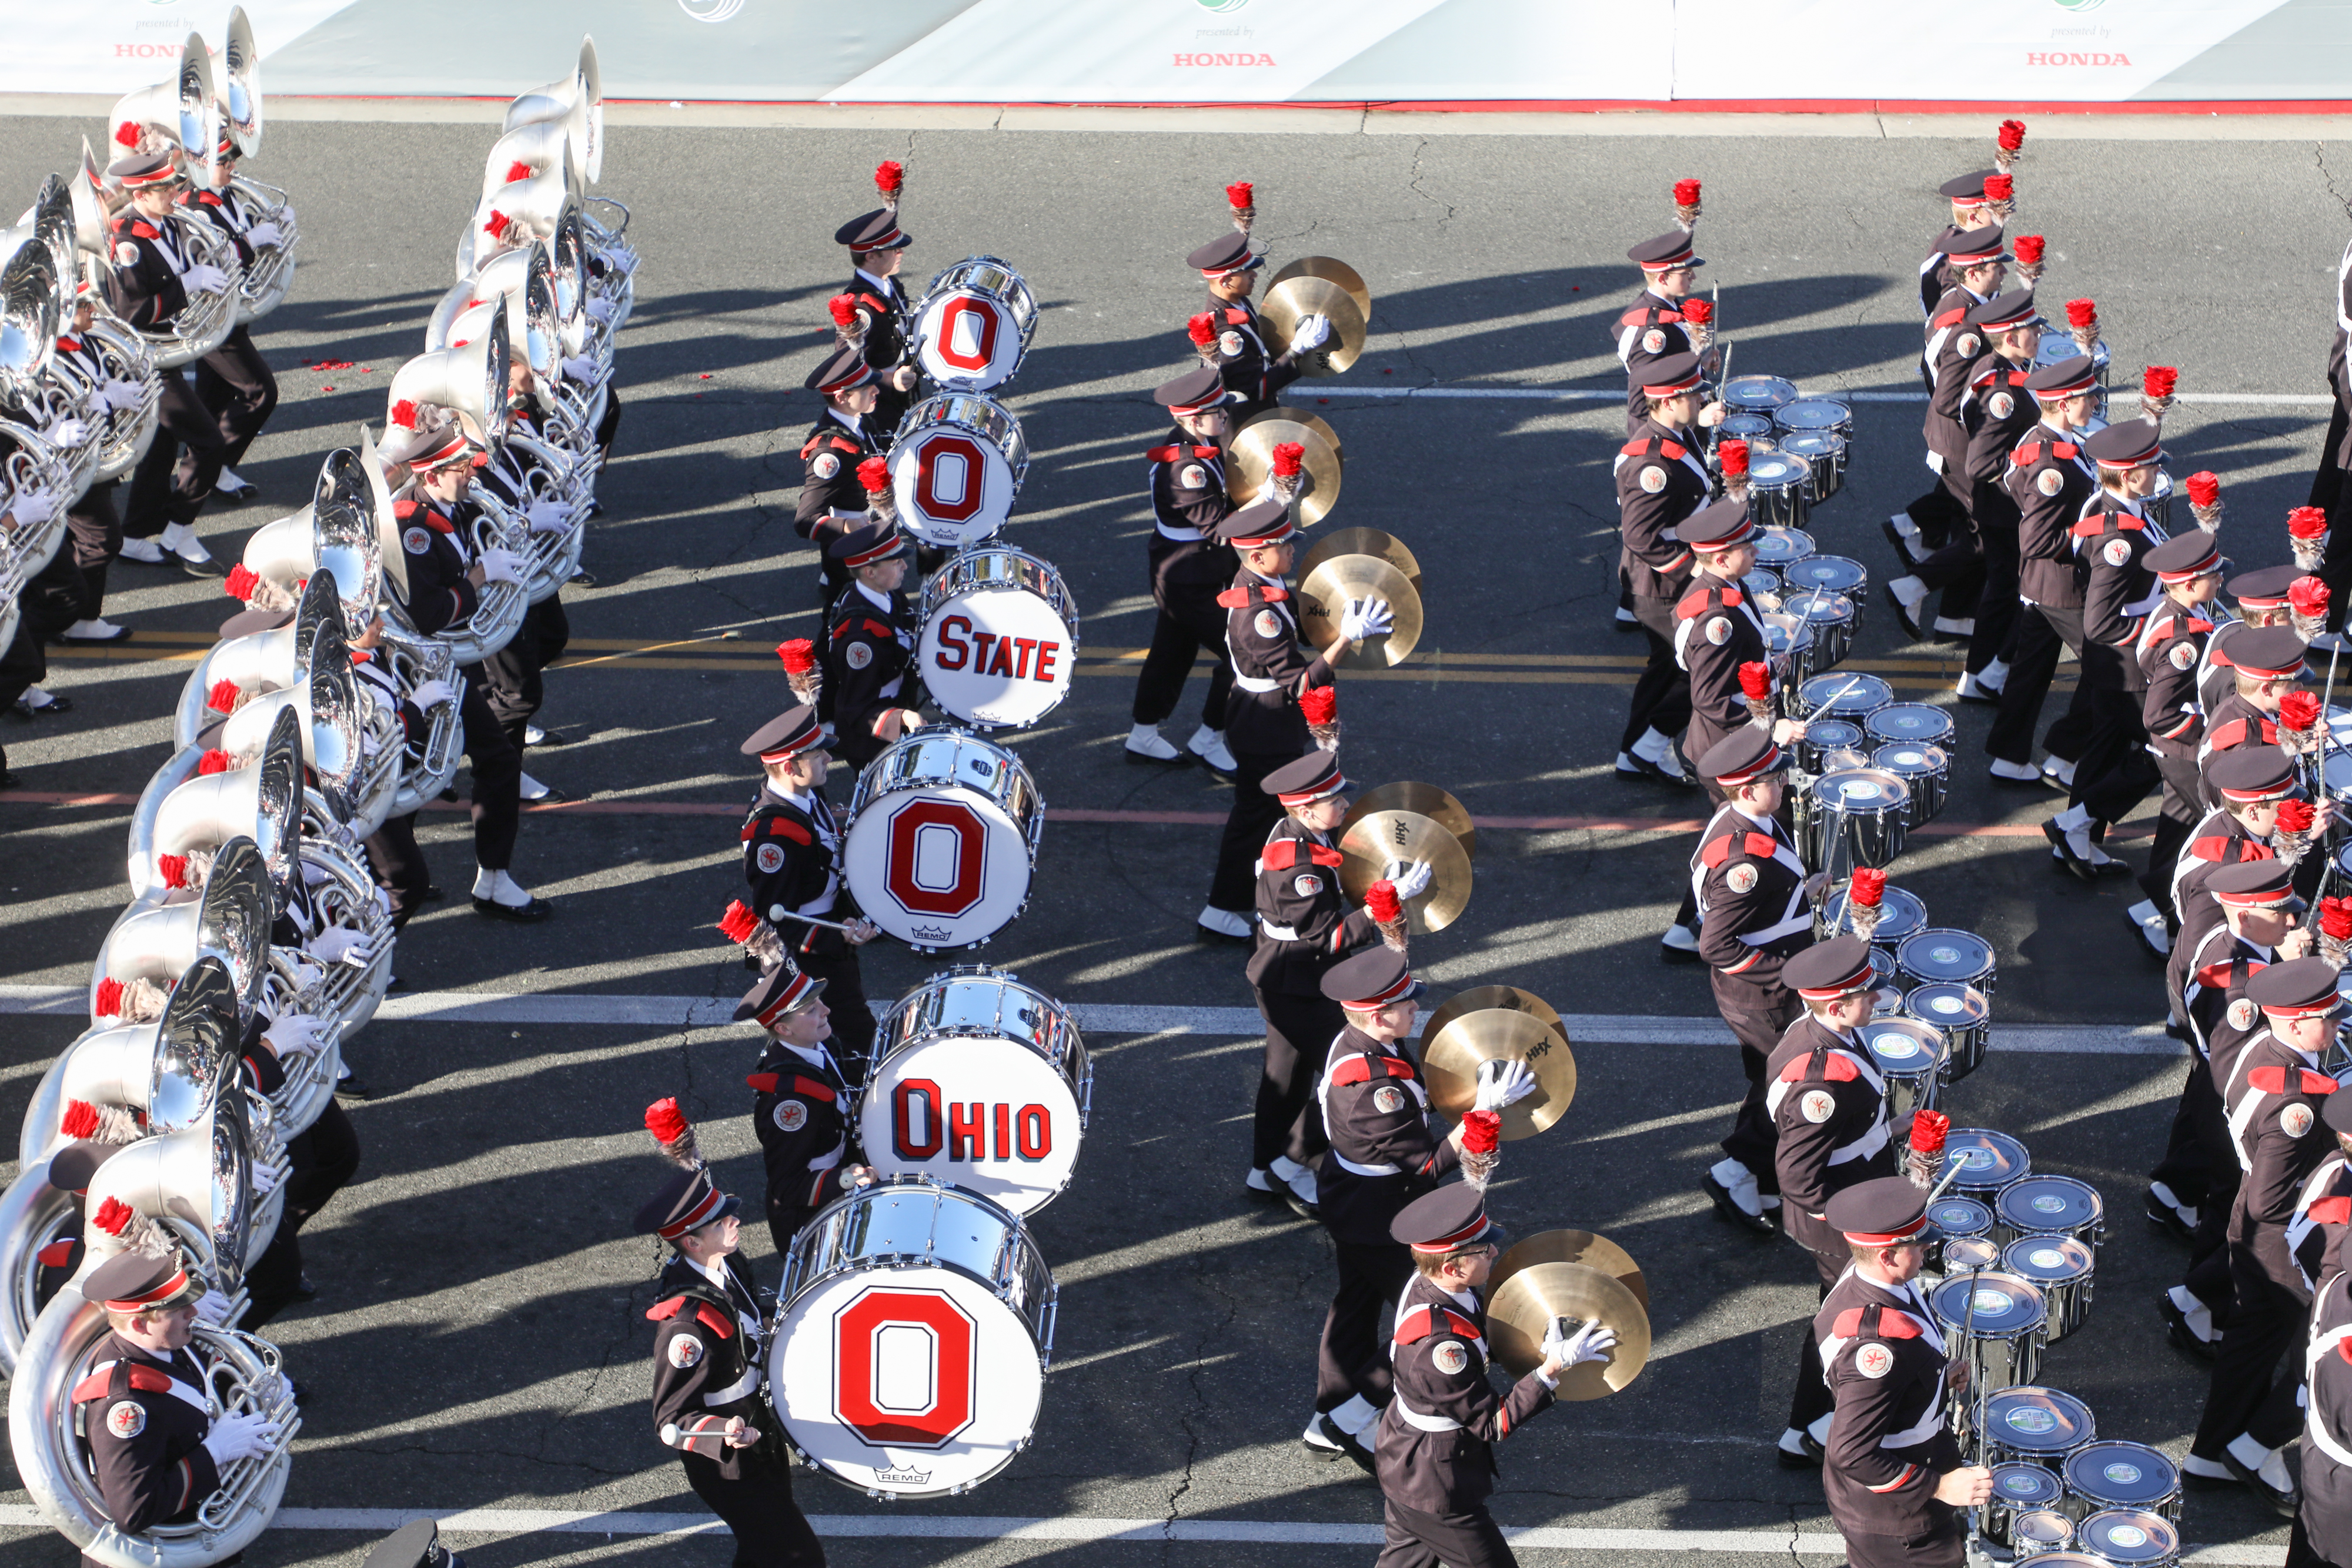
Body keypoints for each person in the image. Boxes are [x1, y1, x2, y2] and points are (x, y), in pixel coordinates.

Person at [1307, 948, 1530, 1470]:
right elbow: (1426, 1165)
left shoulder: (1359, 1041)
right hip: (1376, 1213)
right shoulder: (1375, 1091)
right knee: (1426, 1320)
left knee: (1355, 1303)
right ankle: (1350, 1420)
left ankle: (1329, 1414)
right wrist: (1481, 1114)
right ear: (1378, 1015)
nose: (1415, 1009)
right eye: (1405, 1004)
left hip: (1354, 1197)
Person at [1371, 1184, 1611, 1568]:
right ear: (1452, 1267)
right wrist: (1551, 1369)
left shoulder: (1436, 1286)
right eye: (1483, 1250)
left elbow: (1479, 1336)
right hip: (1436, 1486)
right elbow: (1493, 1422)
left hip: (1408, 1463)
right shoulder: (1440, 1350)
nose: (1495, 1251)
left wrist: (1539, 1343)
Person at [2183, 955, 2344, 1517]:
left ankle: (2211, 1455)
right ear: (2295, 1024)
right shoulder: (2295, 1108)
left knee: (2249, 1353)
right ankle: (2252, 1447)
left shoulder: (2263, 1049)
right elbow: (2270, 1201)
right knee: (2304, 1356)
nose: (2338, 1025)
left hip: (2257, 1238)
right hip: (2282, 1247)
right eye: (2328, 1017)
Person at [634, 1107, 826, 1567]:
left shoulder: (725, 1264)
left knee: (763, 1551)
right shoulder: (687, 1325)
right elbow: (671, 1421)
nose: (735, 1221)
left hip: (760, 1434)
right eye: (722, 1222)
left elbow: (703, 1183)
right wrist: (727, 1432)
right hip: (729, 1459)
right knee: (799, 1556)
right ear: (693, 1243)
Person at [1196, 499, 1385, 944]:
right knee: (1257, 819)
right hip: (1265, 724)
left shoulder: (1265, 582)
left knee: (1266, 817)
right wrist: (1346, 639)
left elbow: (1298, 625)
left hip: (1264, 720)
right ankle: (1221, 910)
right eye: (1284, 545)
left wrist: (1342, 613)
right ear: (1258, 556)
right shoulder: (1257, 615)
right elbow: (1300, 684)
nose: (1293, 550)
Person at [384, 420, 549, 920]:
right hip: (421, 667)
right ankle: (392, 875)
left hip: (448, 662)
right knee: (412, 772)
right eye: (461, 468)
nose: (472, 474)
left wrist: (531, 522)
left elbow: (490, 527)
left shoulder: (454, 502)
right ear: (431, 476)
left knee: (491, 759)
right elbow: (429, 613)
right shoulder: (412, 528)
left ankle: (493, 878)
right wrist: (479, 578)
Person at [2160, 858, 2313, 1359]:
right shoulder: (2240, 988)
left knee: (2229, 1214)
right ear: (2245, 917)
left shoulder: (2226, 947)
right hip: (2234, 1113)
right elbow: (2239, 1064)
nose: (2291, 920)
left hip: (2216, 1100)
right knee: (2248, 1223)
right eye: (2279, 911)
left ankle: (2193, 1299)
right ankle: (2199, 1309)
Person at [1244, 752, 1403, 1218]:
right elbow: (1328, 937)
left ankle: (1263, 1165)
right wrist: (1380, 909)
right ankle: (1294, 1160)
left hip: (1287, 972)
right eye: (1335, 798)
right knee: (1347, 1066)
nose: (1344, 802)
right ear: (1306, 810)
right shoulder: (1299, 870)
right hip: (1299, 978)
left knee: (1285, 1075)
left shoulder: (1300, 833)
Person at [1765, 938, 1901, 1469]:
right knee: (1848, 1321)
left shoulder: (1827, 1033)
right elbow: (1799, 1176)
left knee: (1838, 1313)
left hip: (1854, 1196)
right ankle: (1810, 1430)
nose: (1875, 1000)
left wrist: (1887, 1130)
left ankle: (1809, 1425)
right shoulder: (1820, 1078)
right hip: (1839, 1223)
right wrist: (1855, 1228)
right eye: (1866, 994)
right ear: (1837, 1005)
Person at [1813, 1178, 1992, 1567]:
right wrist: (1941, 1486)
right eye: (1918, 1242)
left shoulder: (1866, 1277)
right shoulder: (1879, 1352)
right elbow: (1852, 1451)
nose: (1929, 1245)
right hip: (1898, 1520)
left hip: (1890, 1494)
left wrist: (1939, 1374)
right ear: (1887, 1257)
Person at [71, 1247, 282, 1568]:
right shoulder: (125, 1406)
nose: (193, 1313)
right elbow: (134, 1510)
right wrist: (214, 1454)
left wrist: (263, 1386)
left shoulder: (165, 1342)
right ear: (140, 1325)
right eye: (179, 1308)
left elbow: (198, 1387)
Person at [1690, 730, 1814, 1238]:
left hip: (1759, 991)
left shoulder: (1741, 820)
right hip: (1763, 995)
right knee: (1792, 1089)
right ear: (1746, 789)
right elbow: (1716, 945)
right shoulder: (1744, 862)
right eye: (1773, 778)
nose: (1782, 782)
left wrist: (1805, 889)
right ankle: (1735, 1170)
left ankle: (1759, 1180)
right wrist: (1789, 975)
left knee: (1769, 1080)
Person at [2041, 418, 2171, 883]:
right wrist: (2158, 629)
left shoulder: (2108, 504)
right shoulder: (2118, 538)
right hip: (2126, 666)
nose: (2157, 472)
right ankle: (2075, 824)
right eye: (2151, 467)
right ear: (2131, 475)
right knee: (2170, 750)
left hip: (2112, 666)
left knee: (2103, 749)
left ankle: (2079, 840)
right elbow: (2101, 620)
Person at [1883, 289, 2041, 650]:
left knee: (1977, 531)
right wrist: (1982, 426)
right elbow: (1948, 399)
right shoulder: (1973, 339)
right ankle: (1913, 586)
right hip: (1962, 450)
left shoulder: (1963, 308)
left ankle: (1955, 617)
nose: (2001, 273)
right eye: (1994, 266)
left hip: (1964, 448)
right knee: (1984, 538)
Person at [102, 152, 230, 577]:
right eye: (165, 190)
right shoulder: (127, 244)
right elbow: (133, 312)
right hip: (144, 362)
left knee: (159, 446)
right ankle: (180, 529)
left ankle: (136, 536)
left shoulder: (170, 223)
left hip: (166, 353)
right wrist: (187, 285)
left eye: (175, 186)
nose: (176, 194)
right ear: (140, 194)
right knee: (209, 441)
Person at [737, 706, 880, 1080]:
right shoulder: (774, 836)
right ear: (790, 767)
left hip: (831, 933)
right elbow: (776, 920)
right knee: (858, 1045)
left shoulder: (807, 794)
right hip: (811, 959)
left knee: (847, 1043)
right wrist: (839, 935)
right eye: (818, 756)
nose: (830, 758)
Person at [2102, 529, 2224, 957]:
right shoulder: (2184, 641)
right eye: (2214, 575)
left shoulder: (2170, 614)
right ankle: (2160, 918)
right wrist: (2209, 729)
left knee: (2176, 833)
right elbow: (2160, 714)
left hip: (2171, 752)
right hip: (2184, 751)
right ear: (2190, 584)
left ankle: (2153, 913)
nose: (2221, 580)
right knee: (2210, 840)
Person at [1983, 356, 2102, 787]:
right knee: (2107, 667)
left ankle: (2008, 755)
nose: (2093, 402)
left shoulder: (2039, 439)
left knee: (2030, 672)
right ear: (2066, 404)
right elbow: (2036, 538)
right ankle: (2065, 755)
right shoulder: (2052, 465)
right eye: (2087, 396)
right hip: (2062, 589)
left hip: (2040, 585)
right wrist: (2087, 533)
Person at [1125, 363, 1241, 773]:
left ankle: (1142, 734)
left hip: (1186, 573)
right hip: (1190, 578)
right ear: (1192, 419)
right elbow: (1221, 529)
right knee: (1244, 652)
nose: (1225, 418)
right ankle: (1210, 739)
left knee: (1171, 653)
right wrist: (1273, 499)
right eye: (1218, 413)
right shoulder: (1186, 470)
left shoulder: (1195, 445)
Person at [1616, 350, 1716, 792]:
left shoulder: (1676, 433)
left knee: (1663, 666)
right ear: (1669, 401)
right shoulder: (1652, 463)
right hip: (1662, 583)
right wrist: (1696, 568)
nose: (1700, 397)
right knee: (1701, 668)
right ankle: (1649, 747)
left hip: (1666, 579)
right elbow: (1642, 536)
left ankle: (1632, 752)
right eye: (1693, 393)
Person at [734, 962, 874, 1257]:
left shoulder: (818, 1044)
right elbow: (787, 1186)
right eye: (811, 1010)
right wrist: (845, 1179)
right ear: (784, 1029)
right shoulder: (790, 1101)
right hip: (813, 1221)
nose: (826, 1011)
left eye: (819, 1001)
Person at [175, 133, 280, 509]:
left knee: (211, 400)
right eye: (223, 162)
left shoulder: (229, 196)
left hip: (232, 314)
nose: (232, 167)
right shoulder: (194, 207)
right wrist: (253, 239)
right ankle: (213, 468)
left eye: (232, 160)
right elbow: (209, 257)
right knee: (260, 391)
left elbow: (241, 233)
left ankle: (199, 475)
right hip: (211, 317)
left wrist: (274, 227)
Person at [51, 282, 136, 644]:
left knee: (87, 537)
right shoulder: (48, 355)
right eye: (84, 304)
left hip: (88, 457)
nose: (94, 310)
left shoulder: (83, 338)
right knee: (102, 539)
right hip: (64, 464)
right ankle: (67, 616)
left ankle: (83, 616)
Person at [1182, 228, 1327, 422]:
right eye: (1247, 272)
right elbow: (1256, 388)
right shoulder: (1227, 332)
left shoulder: (1237, 301)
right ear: (1225, 281)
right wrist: (1297, 351)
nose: (1254, 275)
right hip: (1246, 421)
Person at [820, 520, 923, 773]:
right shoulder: (859, 638)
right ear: (870, 571)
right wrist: (901, 717)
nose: (905, 566)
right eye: (896, 562)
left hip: (895, 701)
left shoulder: (886, 592)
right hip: (871, 744)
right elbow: (857, 709)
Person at [796, 345, 889, 602]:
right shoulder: (830, 452)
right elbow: (805, 520)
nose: (876, 391)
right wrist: (846, 526)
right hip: (849, 551)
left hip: (870, 534)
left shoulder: (860, 419)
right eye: (867, 388)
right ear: (842, 397)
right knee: (840, 622)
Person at [832, 190, 921, 435]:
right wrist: (889, 379)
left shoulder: (889, 284)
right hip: (881, 408)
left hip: (903, 395)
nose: (901, 253)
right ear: (871, 256)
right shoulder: (862, 308)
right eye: (894, 250)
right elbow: (849, 365)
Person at [1615, 229, 1707, 437]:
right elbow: (1642, 402)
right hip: (1662, 436)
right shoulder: (1652, 332)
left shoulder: (1668, 305)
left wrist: (1699, 366)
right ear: (1663, 277)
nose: (1694, 277)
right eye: (1686, 272)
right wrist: (1698, 418)